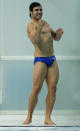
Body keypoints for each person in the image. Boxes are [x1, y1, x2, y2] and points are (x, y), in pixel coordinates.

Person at [23, 2, 64, 125]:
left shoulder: (46, 23)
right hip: (40, 60)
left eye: (41, 10)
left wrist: (58, 34)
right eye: (36, 10)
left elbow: (54, 38)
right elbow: (34, 40)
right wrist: (39, 27)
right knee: (36, 89)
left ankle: (47, 118)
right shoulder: (30, 26)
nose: (39, 12)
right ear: (31, 12)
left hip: (52, 59)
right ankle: (29, 117)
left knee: (52, 88)